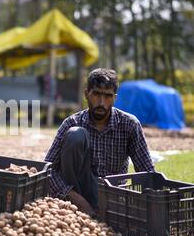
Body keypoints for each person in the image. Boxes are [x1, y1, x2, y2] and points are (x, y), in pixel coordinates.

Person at [44, 68, 155, 216]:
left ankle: (101, 212)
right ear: (86, 94)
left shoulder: (129, 124)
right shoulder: (72, 123)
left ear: (115, 98)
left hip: (112, 197)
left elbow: (147, 171)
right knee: (76, 135)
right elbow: (47, 170)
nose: (101, 102)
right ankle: (79, 208)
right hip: (76, 194)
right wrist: (77, 200)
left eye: (108, 96)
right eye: (96, 94)